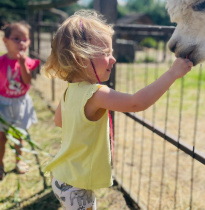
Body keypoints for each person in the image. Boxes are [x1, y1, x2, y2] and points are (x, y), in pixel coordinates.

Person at [42, 9, 193, 210]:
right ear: (80, 57)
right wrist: (173, 73)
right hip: (76, 186)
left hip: (62, 177)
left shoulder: (70, 90)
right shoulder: (95, 93)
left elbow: (59, 121)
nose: (113, 59)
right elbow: (136, 103)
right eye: (105, 53)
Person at [0, 21, 40, 181]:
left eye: (25, 39)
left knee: (18, 135)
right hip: (2, 104)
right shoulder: (1, 62)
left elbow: (27, 80)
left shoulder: (27, 62)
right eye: (16, 39)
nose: (21, 43)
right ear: (5, 41)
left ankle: (19, 161)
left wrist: (23, 64)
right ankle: (0, 164)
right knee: (1, 137)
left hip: (20, 104)